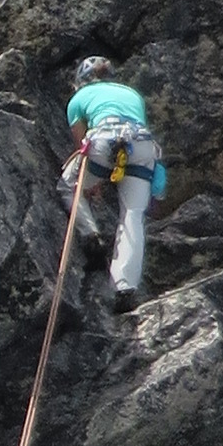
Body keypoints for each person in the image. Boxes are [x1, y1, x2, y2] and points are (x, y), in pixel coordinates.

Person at [62, 55, 164, 295]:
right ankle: (124, 288)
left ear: (82, 80)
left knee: (68, 186)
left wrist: (92, 183)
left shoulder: (79, 99)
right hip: (140, 146)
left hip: (103, 144)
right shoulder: (132, 95)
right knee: (132, 215)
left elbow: (81, 146)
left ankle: (90, 233)